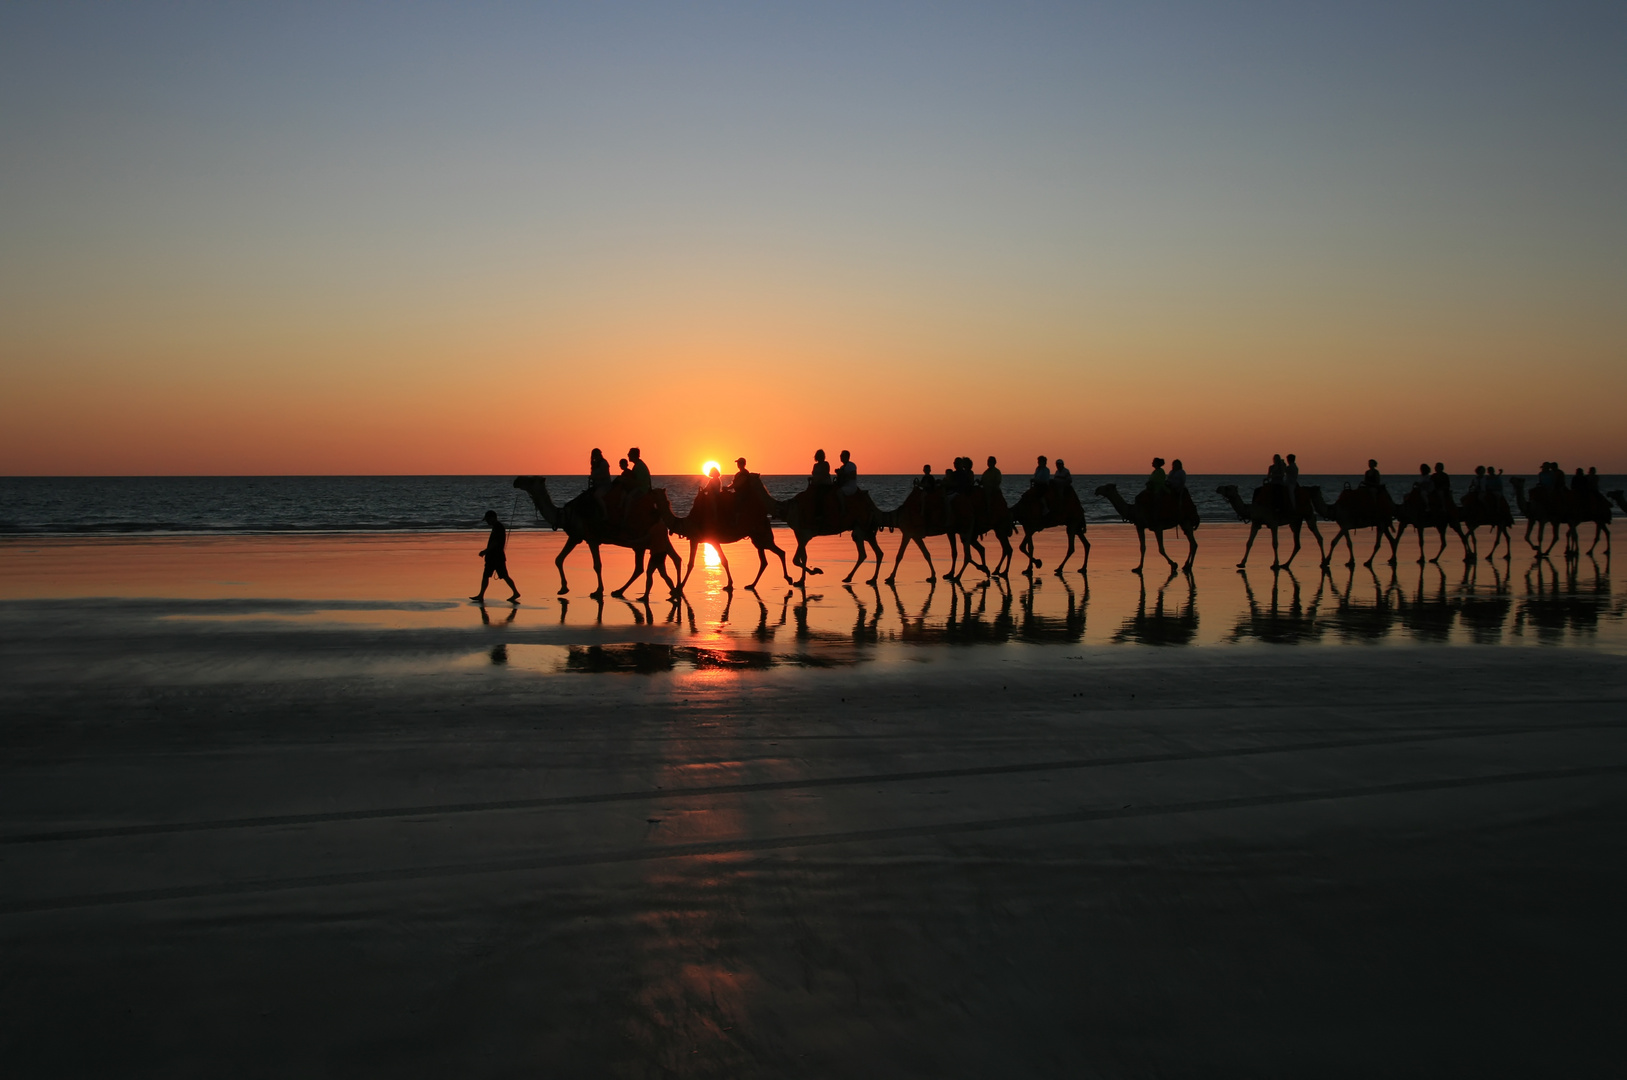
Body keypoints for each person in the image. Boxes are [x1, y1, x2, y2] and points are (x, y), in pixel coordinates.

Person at [472, 510, 520, 603]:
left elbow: (495, 543)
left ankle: (481, 595)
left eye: (487, 519)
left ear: (493, 518)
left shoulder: (498, 527)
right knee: (498, 576)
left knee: (494, 576)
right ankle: (481, 595)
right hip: (497, 556)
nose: (487, 521)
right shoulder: (497, 527)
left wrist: (485, 551)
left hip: (495, 557)